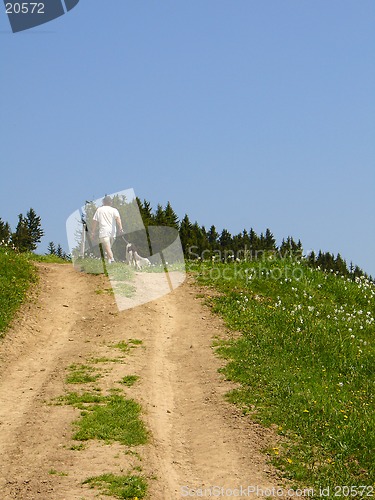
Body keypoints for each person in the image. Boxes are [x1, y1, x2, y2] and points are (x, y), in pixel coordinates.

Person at [91, 195, 123, 264]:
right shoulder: (114, 210)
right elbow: (118, 219)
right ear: (110, 202)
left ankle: (112, 259)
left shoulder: (99, 210)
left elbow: (94, 221)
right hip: (112, 232)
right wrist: (120, 228)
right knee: (108, 247)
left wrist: (93, 232)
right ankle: (109, 263)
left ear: (103, 202)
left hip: (104, 231)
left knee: (107, 247)